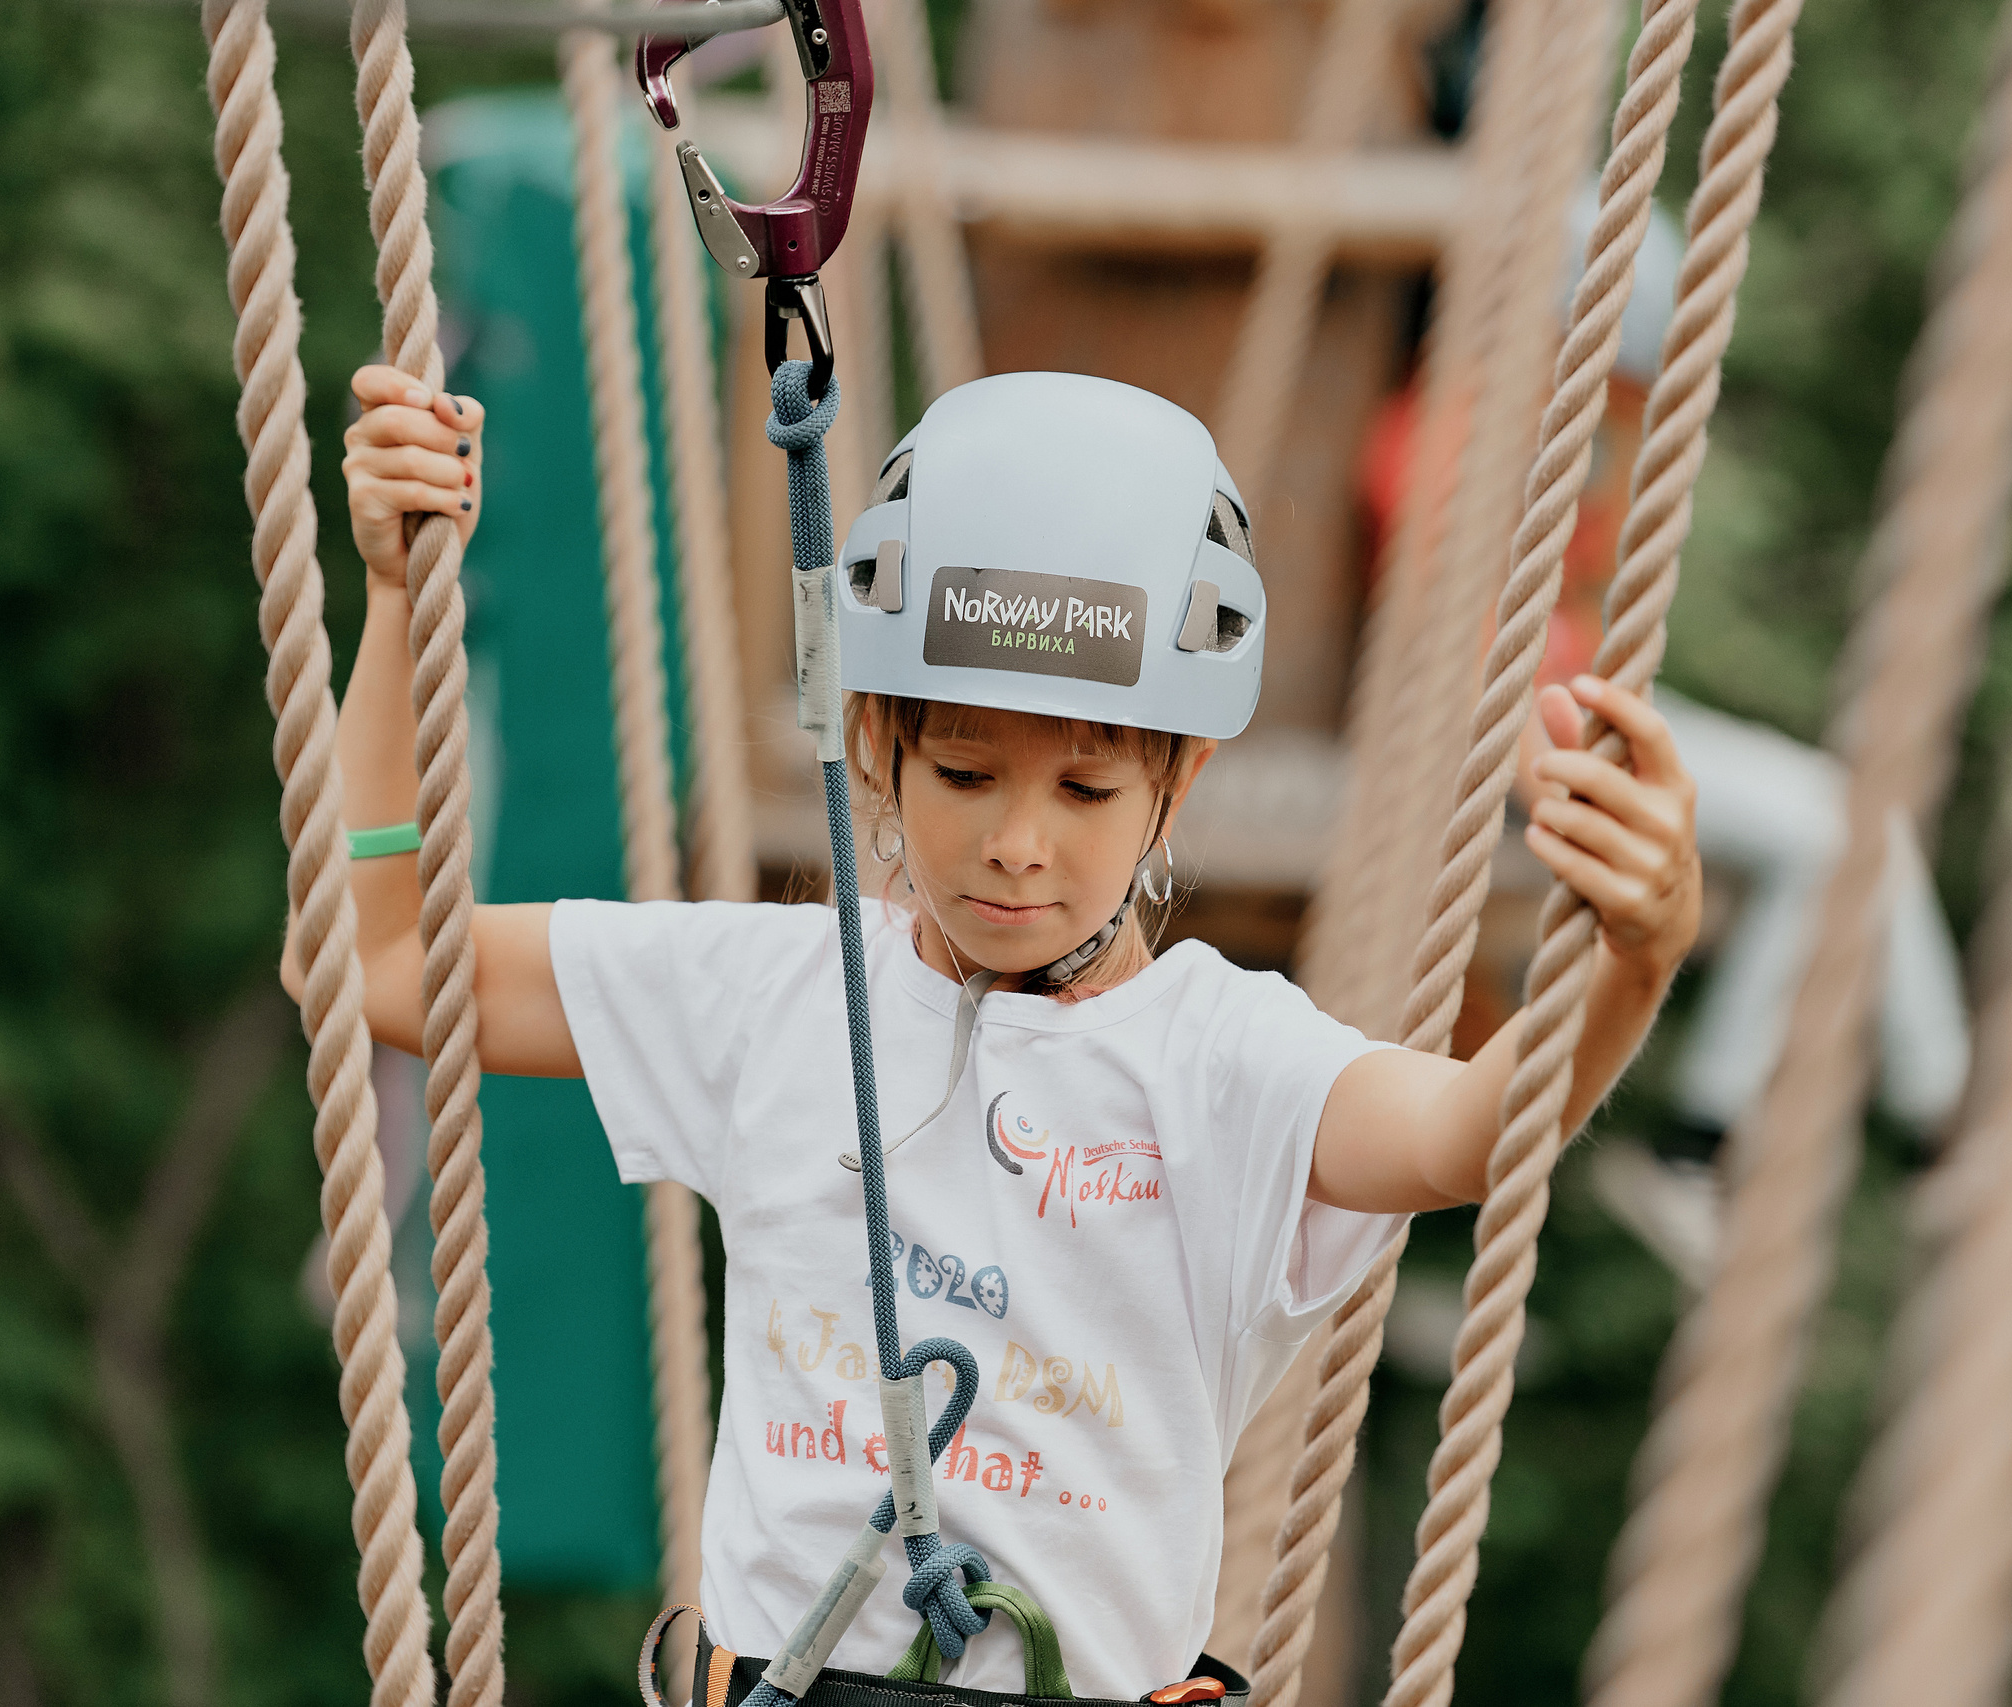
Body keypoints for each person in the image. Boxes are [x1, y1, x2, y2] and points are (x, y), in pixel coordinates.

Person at [302, 364, 1701, 1699]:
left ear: (1181, 773)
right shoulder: (774, 996)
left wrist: (1633, 961)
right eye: (965, 772)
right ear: (877, 744)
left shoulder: (1223, 1068)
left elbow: (1468, 1132)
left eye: (1087, 791)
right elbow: (379, 960)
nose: (1019, 847)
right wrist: (391, 592)